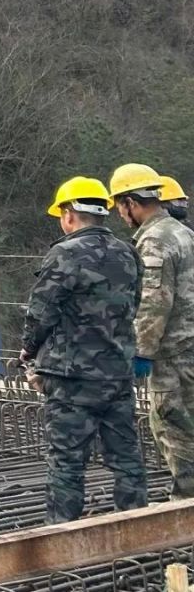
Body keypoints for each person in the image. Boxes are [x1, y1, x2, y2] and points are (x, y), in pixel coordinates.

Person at [20, 177, 147, 523]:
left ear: (68, 213)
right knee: (126, 458)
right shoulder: (128, 252)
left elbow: (41, 312)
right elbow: (134, 306)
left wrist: (28, 350)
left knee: (67, 462)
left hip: (71, 377)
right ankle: (140, 532)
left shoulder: (63, 254)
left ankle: (63, 535)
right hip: (117, 374)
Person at [110, 163, 194, 499]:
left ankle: (185, 511)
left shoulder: (154, 241)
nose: (119, 213)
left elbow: (153, 304)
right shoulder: (184, 233)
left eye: (119, 205)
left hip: (173, 358)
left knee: (176, 435)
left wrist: (141, 352)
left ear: (131, 202)